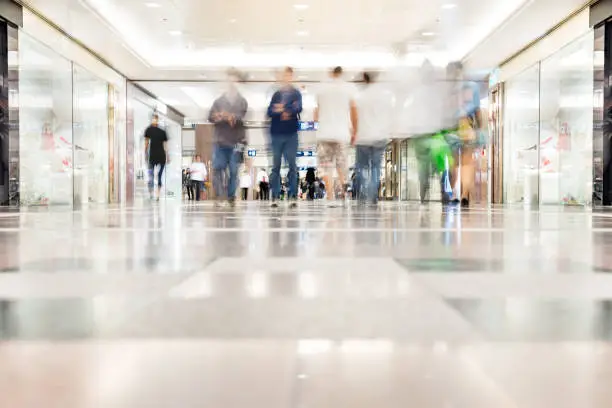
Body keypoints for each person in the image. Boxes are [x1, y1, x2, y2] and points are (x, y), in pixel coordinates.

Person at [314, 66, 358, 207]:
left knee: (326, 166)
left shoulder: (321, 89)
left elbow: (316, 112)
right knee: (341, 164)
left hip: (324, 133)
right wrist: (354, 130)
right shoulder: (348, 88)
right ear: (341, 74)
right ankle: (343, 192)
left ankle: (330, 195)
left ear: (331, 73)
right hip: (341, 133)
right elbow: (353, 111)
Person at [406, 61, 447, 205]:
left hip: (420, 136)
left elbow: (410, 115)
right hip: (435, 135)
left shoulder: (416, 94)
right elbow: (443, 114)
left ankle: (424, 196)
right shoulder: (438, 93)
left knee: (423, 169)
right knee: (441, 165)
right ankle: (444, 193)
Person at [208, 69, 248, 208]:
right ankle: (220, 195)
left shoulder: (242, 101)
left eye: (234, 79)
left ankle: (231, 196)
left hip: (236, 142)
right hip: (220, 141)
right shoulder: (218, 101)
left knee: (233, 170)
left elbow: (238, 118)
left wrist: (229, 117)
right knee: (218, 168)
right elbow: (211, 117)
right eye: (229, 79)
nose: (231, 82)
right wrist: (219, 116)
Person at [446, 61, 483, 207]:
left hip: (452, 128)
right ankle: (465, 193)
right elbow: (477, 111)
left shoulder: (448, 90)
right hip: (467, 127)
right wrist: (479, 129)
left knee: (453, 163)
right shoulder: (472, 86)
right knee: (467, 162)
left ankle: (454, 193)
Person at [267, 66, 302, 209]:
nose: (286, 78)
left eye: (289, 75)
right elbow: (270, 111)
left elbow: (298, 108)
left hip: (291, 134)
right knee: (275, 166)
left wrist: (283, 108)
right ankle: (275, 195)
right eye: (284, 75)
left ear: (291, 77)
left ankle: (293, 196)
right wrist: (281, 109)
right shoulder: (276, 94)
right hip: (276, 134)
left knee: (292, 166)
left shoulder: (296, 94)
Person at [144, 113, 169, 201]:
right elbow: (146, 143)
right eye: (153, 119)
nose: (154, 121)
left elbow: (165, 145)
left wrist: (168, 156)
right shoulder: (148, 130)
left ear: (157, 120)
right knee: (150, 176)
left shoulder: (162, 132)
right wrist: (144, 153)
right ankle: (151, 194)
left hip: (161, 156)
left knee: (159, 175)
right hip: (152, 156)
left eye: (155, 119)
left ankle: (157, 195)